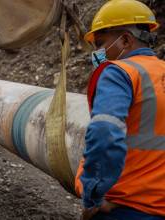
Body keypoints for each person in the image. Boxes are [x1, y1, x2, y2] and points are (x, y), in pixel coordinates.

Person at [74, 0, 165, 219]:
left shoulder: (119, 73)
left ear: (125, 39)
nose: (97, 53)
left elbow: (105, 133)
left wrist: (93, 198)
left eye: (100, 43)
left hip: (126, 206)